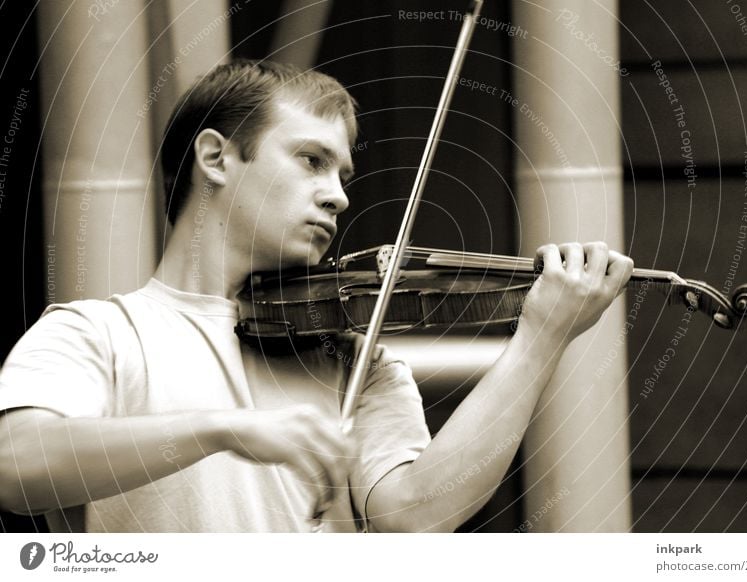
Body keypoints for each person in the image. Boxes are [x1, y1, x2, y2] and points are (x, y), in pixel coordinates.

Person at [0, 60, 633, 533]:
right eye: (311, 160)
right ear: (217, 157)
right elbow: (13, 464)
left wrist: (542, 336)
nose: (340, 195)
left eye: (344, 173)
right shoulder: (98, 333)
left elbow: (414, 517)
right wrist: (223, 428)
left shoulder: (353, 357)